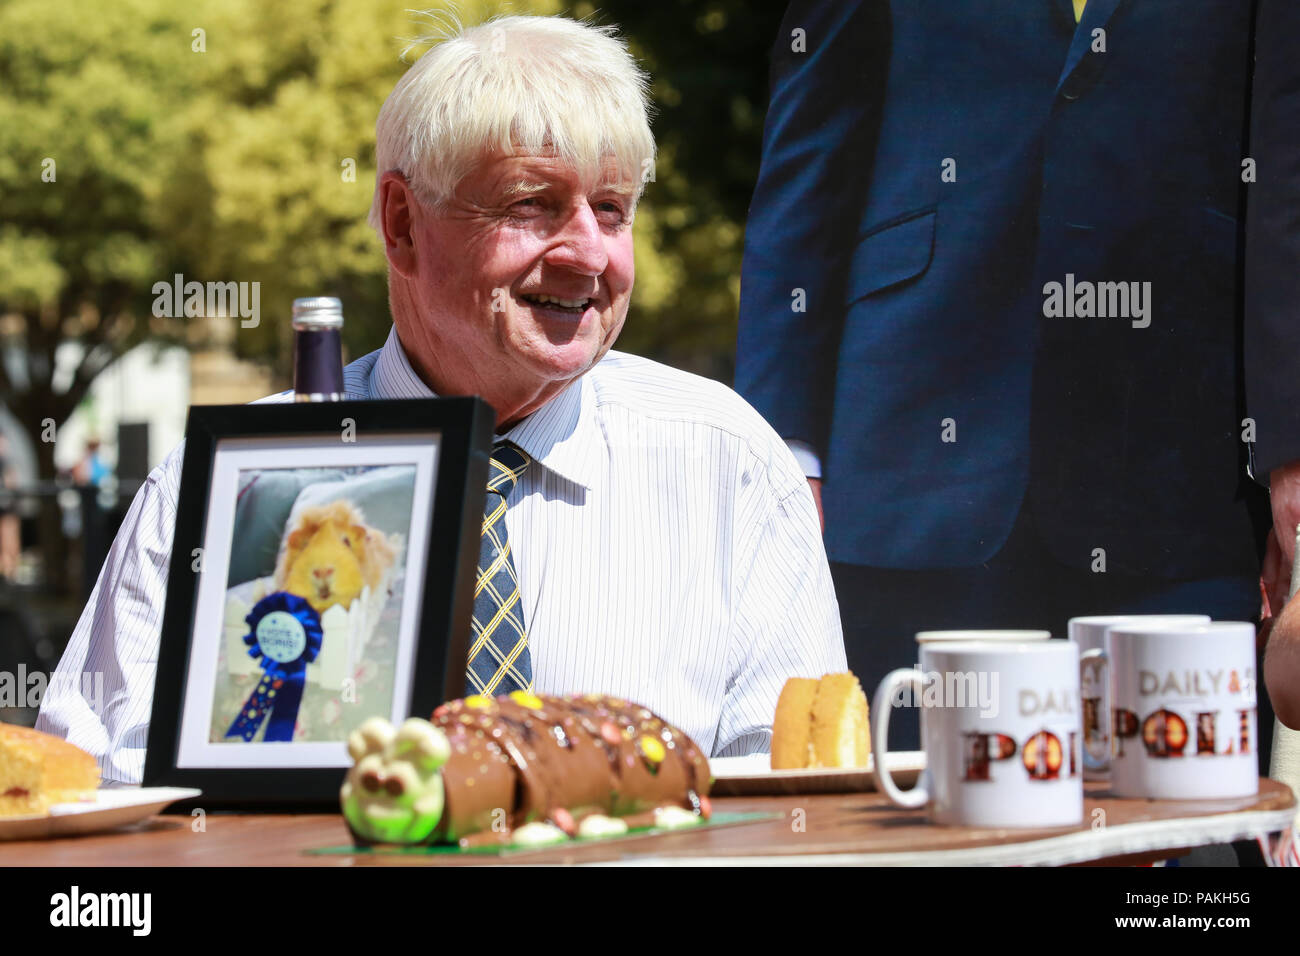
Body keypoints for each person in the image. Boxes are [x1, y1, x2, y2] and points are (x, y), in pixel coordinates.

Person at [36, 15, 845, 785]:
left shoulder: (726, 464)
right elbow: (104, 800)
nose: (588, 254)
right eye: (532, 204)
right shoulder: (232, 488)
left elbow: (796, 804)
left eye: (611, 208)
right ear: (401, 224)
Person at [736, 0, 1300, 759]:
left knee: (1185, 844)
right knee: (923, 833)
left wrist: (1290, 441)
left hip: (1187, 480)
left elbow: (1289, 164)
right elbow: (810, 149)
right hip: (914, 473)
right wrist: (785, 452)